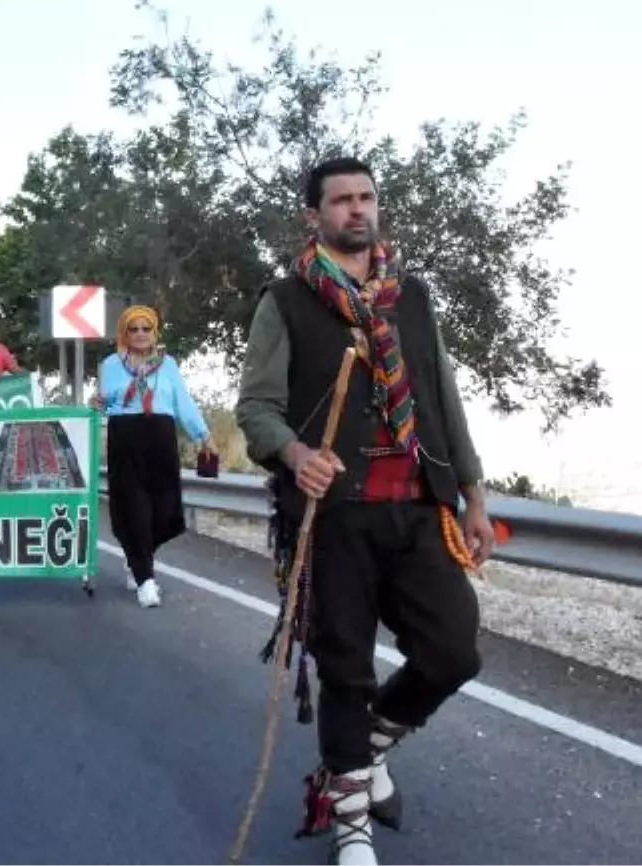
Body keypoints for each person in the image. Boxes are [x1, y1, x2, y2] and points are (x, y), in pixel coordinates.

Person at [234, 156, 496, 866]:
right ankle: (350, 821)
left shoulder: (411, 297)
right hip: (333, 516)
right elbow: (256, 408)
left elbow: (442, 397)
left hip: (418, 506)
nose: (357, 209)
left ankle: (363, 753)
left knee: (452, 651)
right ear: (314, 215)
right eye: (342, 200)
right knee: (345, 668)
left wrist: (472, 493)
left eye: (366, 197)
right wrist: (294, 454)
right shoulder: (285, 300)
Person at [95, 305, 216, 609]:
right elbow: (106, 399)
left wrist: (203, 434)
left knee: (163, 510)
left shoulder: (168, 365)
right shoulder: (111, 364)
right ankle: (146, 580)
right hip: (125, 436)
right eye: (133, 329)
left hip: (160, 437)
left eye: (145, 329)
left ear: (154, 332)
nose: (139, 335)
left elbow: (182, 401)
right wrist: (99, 401)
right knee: (133, 505)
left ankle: (138, 556)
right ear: (125, 333)